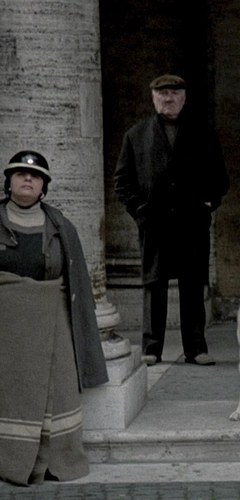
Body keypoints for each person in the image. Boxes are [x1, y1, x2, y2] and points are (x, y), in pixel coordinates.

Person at [0, 151, 108, 485]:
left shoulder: (61, 227)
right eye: (20, 174)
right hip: (6, 325)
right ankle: (10, 460)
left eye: (35, 176)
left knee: (57, 388)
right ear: (8, 182)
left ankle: (53, 461)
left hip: (53, 318)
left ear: (44, 187)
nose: (27, 179)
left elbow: (76, 281)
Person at [114, 74, 229, 366]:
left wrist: (209, 202)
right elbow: (122, 181)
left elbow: (220, 177)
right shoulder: (136, 135)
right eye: (163, 94)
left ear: (184, 98)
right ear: (153, 98)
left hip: (192, 223)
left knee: (192, 285)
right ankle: (151, 349)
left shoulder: (203, 133)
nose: (169, 98)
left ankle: (196, 348)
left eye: (175, 93)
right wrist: (139, 211)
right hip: (154, 224)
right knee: (154, 285)